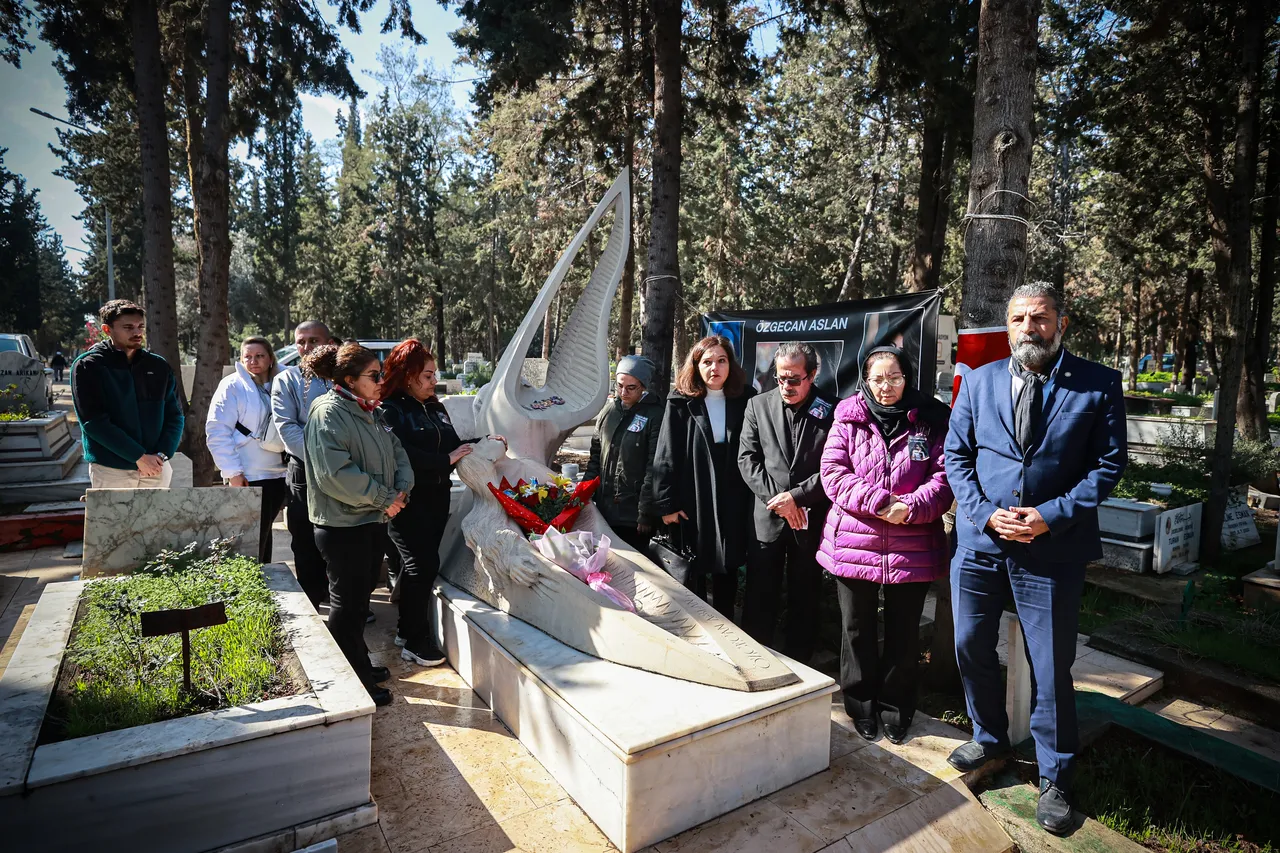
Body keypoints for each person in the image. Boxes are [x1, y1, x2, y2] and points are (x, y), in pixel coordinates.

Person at [945, 283, 1126, 835]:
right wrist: (981, 513)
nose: (1029, 326)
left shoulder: (1098, 383)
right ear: (1008, 325)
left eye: (1040, 318)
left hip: (1053, 548)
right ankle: (989, 740)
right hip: (982, 544)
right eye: (1019, 318)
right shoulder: (981, 381)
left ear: (1061, 323)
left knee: (1051, 667)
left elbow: (1109, 464)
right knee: (970, 644)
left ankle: (1056, 777)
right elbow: (957, 455)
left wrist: (1050, 514)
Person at [817, 345, 952, 744]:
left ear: (907, 377)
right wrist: (879, 502)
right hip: (855, 542)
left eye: (894, 377)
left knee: (904, 631)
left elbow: (944, 478)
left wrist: (910, 507)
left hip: (912, 544)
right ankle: (859, 705)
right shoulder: (848, 418)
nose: (886, 387)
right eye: (877, 379)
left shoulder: (929, 421)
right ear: (865, 381)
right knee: (856, 628)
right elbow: (833, 472)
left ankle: (896, 707)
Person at [303, 342, 414, 707]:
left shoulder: (369, 410)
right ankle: (352, 681)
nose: (382, 381)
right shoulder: (328, 412)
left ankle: (360, 663)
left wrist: (400, 490)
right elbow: (336, 475)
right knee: (347, 607)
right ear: (350, 380)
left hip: (371, 519)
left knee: (357, 601)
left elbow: (396, 451)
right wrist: (386, 498)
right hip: (342, 526)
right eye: (374, 376)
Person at [379, 339, 500, 667]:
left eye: (433, 376)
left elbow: (452, 444)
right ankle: (416, 641)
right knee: (422, 566)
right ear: (408, 375)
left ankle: (407, 630)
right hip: (406, 501)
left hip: (437, 498)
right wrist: (444, 459)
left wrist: (482, 443)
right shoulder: (390, 409)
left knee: (420, 565)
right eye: (428, 375)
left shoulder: (434, 406)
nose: (434, 382)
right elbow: (399, 454)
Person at [738, 341, 838, 664]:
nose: (786, 386)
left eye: (794, 379)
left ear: (812, 375)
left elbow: (835, 468)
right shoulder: (758, 405)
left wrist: (797, 497)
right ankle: (756, 662)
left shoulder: (833, 411)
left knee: (805, 598)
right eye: (781, 378)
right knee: (759, 597)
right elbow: (747, 460)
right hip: (767, 519)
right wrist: (779, 501)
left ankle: (801, 667)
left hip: (810, 520)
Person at [652, 335, 755, 617]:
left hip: (733, 495)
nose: (715, 368)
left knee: (728, 567)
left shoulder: (747, 398)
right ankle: (697, 631)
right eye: (707, 362)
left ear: (730, 365)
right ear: (696, 366)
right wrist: (666, 505)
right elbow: (665, 456)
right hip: (693, 496)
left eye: (721, 361)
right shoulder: (681, 402)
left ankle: (728, 629)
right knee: (693, 568)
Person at [71, 300, 184, 489]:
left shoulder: (158, 366)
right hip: (111, 470)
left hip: (157, 466)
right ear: (107, 330)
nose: (137, 332)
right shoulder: (88, 366)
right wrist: (138, 456)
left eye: (140, 326)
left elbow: (175, 416)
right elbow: (94, 423)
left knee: (156, 520)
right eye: (128, 327)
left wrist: (161, 455)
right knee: (114, 520)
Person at [207, 337, 289, 564]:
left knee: (264, 532)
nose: (253, 361)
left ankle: (264, 580)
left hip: (280, 472)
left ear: (270, 358)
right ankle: (251, 586)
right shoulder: (232, 385)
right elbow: (217, 431)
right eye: (248, 357)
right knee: (249, 536)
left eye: (259, 356)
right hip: (248, 474)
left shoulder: (284, 381)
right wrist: (233, 472)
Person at [272, 321, 333, 609]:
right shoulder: (286, 380)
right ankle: (311, 598)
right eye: (301, 341)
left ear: (329, 342)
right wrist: (322, 461)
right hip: (306, 469)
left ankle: (343, 599)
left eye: (314, 340)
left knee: (340, 538)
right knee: (305, 537)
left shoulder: (343, 377)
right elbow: (288, 428)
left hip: (345, 469)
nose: (307, 347)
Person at [583, 355, 663, 552]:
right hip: (604, 509)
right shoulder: (609, 411)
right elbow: (595, 456)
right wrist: (583, 494)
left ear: (643, 386)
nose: (623, 392)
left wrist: (645, 512)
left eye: (631, 387)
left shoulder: (655, 415)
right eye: (619, 386)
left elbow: (654, 468)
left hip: (633, 515)